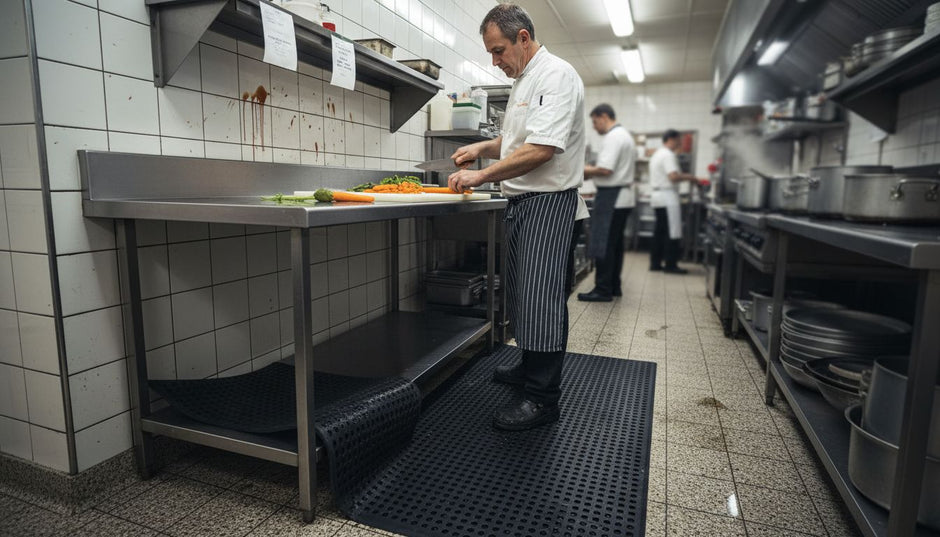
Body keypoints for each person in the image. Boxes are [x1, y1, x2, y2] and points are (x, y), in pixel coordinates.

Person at [447, 3, 585, 431]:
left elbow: (542, 148)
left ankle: (543, 400)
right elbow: (516, 139)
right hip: (523, 203)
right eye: (491, 52)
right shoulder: (526, 79)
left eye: (498, 50)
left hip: (549, 202)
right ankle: (529, 370)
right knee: (525, 295)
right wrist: (481, 148)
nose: (495, 60)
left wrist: (481, 175)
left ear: (523, 38)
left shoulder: (556, 75)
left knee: (542, 299)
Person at [578, 104, 636, 302]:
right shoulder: (625, 135)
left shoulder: (614, 137)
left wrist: (579, 171)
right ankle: (614, 286)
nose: (594, 127)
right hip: (622, 198)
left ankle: (602, 289)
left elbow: (605, 169)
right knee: (616, 245)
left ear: (603, 116)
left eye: (595, 121)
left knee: (603, 243)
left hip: (612, 196)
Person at [648, 129, 702, 274]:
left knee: (660, 231)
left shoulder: (658, 154)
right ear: (671, 139)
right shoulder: (668, 155)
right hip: (667, 197)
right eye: (679, 140)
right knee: (672, 231)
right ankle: (670, 265)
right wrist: (691, 177)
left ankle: (655, 263)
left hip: (658, 197)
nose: (680, 143)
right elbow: (673, 176)